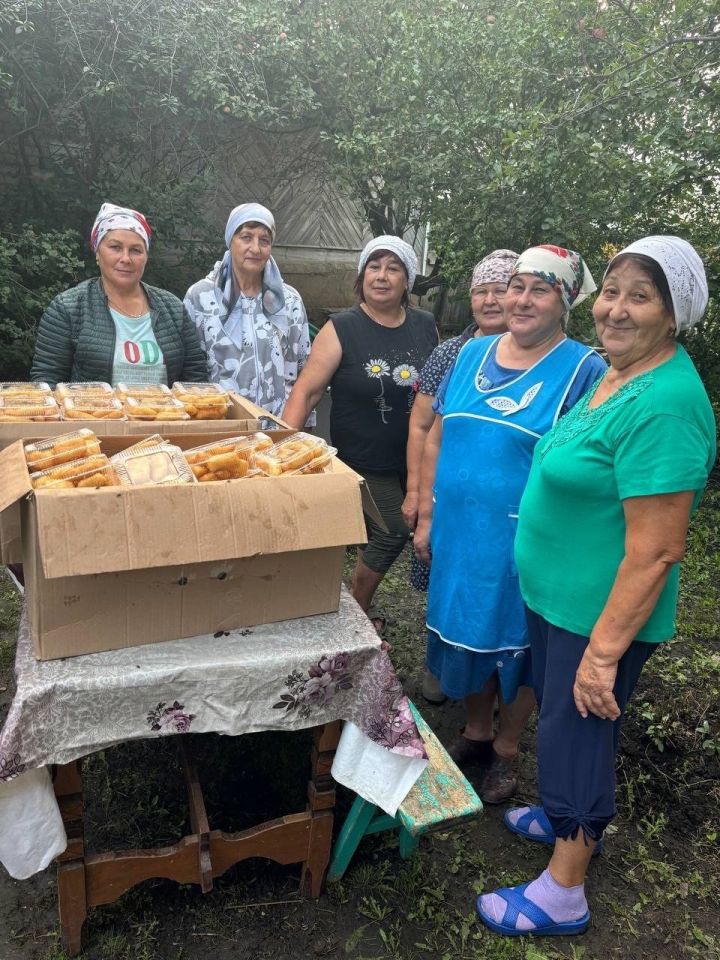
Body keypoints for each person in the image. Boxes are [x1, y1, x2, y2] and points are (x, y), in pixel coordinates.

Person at [477, 236, 716, 936]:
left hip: (597, 615)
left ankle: (564, 890)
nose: (614, 309)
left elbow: (658, 549)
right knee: (560, 719)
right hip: (559, 600)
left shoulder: (667, 403)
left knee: (577, 737)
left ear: (673, 316)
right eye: (610, 291)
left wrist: (605, 653)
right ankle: (561, 821)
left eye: (639, 296)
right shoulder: (620, 374)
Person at [414, 245, 606, 804]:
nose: (518, 299)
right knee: (467, 630)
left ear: (564, 301)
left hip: (528, 540)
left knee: (519, 644)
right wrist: (426, 513)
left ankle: (506, 748)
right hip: (460, 531)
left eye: (538, 289)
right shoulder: (471, 355)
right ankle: (475, 731)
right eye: (515, 286)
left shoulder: (582, 369)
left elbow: (584, 465)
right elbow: (439, 434)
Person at [283, 235, 437, 631]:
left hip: (415, 459)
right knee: (392, 533)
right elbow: (308, 389)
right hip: (365, 459)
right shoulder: (342, 328)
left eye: (393, 268)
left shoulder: (425, 326)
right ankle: (357, 613)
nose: (382, 276)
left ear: (407, 280)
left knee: (402, 534)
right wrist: (282, 447)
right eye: (374, 266)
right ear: (361, 275)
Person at [402, 249, 518, 704]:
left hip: (500, 507)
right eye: (481, 291)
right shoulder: (451, 351)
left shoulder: (540, 357)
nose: (490, 300)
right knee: (440, 579)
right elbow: (420, 425)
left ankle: (492, 681)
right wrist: (415, 491)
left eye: (500, 289)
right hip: (444, 490)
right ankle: (441, 667)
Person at [31, 202, 208, 388]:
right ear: (97, 252)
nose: (125, 258)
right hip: (94, 416)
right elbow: (46, 382)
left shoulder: (173, 308)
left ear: (146, 256)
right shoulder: (68, 308)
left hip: (163, 416)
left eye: (135, 250)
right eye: (115, 247)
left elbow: (194, 380)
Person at [183, 203, 312, 421]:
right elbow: (191, 371)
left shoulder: (288, 301)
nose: (256, 248)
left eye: (264, 240)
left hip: (278, 426)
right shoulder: (201, 297)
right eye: (246, 237)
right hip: (219, 426)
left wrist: (302, 424)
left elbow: (303, 370)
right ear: (230, 241)